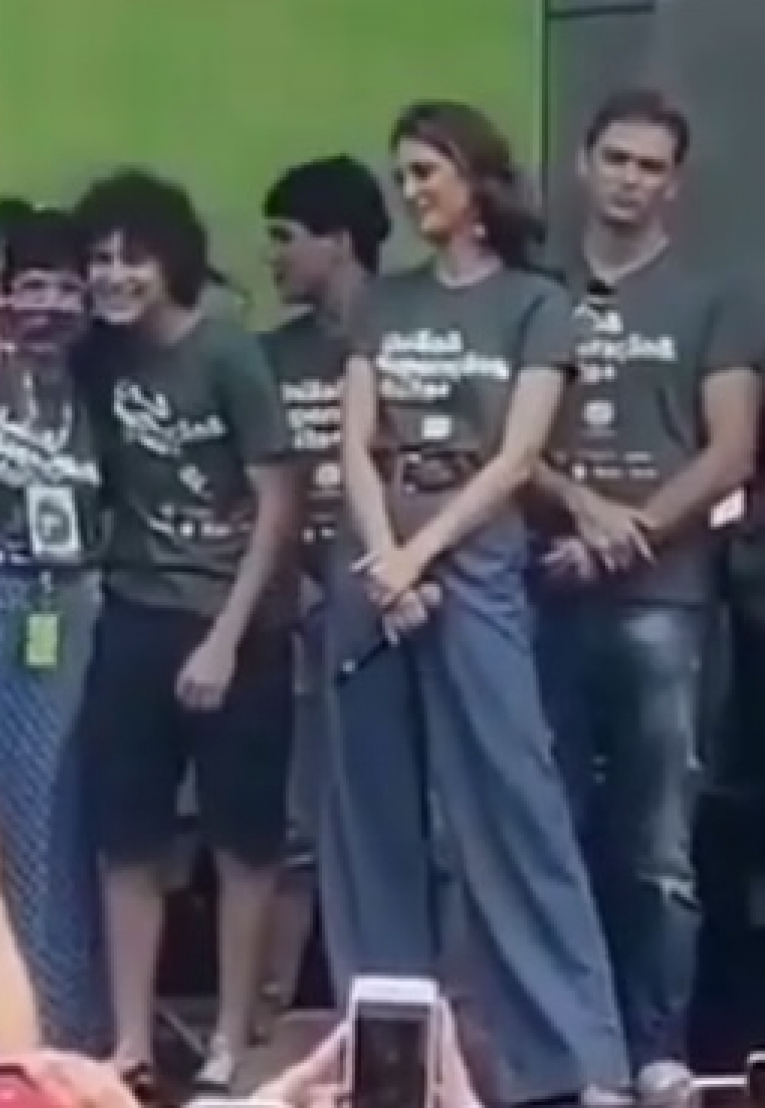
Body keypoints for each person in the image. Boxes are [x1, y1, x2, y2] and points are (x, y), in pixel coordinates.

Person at [321, 100, 629, 1104]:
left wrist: (421, 556)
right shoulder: (384, 299)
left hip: (474, 552)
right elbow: (354, 443)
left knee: (511, 805)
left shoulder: (537, 303)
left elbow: (518, 458)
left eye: (427, 172)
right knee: (368, 812)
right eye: (403, 175)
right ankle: (388, 1057)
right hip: (375, 553)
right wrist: (384, 558)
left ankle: (574, 1061)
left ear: (476, 178)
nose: (412, 192)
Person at [531, 90, 759, 1105]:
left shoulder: (714, 296)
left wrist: (629, 536)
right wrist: (584, 514)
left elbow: (731, 451)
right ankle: (571, 1051)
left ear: (676, 183)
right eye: (616, 158)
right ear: (584, 164)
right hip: (546, 586)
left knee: (658, 844)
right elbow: (507, 442)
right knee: (550, 831)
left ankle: (655, 1050)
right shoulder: (540, 295)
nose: (630, 179)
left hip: (667, 599)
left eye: (651, 165)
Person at [71, 168, 298, 1091]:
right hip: (133, 613)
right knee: (128, 838)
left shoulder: (228, 351)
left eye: (133, 258)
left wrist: (226, 636)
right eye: (99, 259)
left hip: (236, 626)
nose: (114, 276)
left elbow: (279, 499)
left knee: (242, 842)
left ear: (173, 260)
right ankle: (130, 1041)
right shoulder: (96, 356)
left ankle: (231, 1038)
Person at [0, 202, 106, 1048]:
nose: (50, 306)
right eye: (32, 285)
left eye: (67, 288)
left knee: (45, 814)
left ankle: (47, 1022)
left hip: (64, 600)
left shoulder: (95, 379)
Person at [251, 156, 390, 1033]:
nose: (272, 256)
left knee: (399, 817)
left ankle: (396, 1010)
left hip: (396, 600)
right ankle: (271, 1018)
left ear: (338, 240)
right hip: (298, 608)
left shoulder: (404, 332)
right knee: (299, 822)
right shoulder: (270, 355)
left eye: (284, 237)